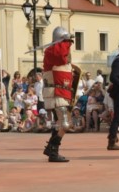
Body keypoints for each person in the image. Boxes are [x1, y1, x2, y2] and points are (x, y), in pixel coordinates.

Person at [41, 26, 75, 162]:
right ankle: (53, 150)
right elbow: (60, 56)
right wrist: (66, 42)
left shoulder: (56, 53)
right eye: (66, 42)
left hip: (62, 93)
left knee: (59, 124)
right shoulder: (53, 52)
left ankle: (50, 149)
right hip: (57, 93)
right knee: (65, 124)